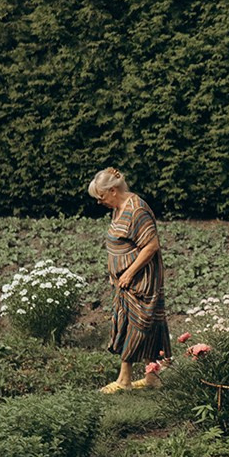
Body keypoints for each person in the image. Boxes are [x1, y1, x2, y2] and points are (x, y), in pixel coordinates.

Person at [90, 166, 166, 393]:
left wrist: (130, 272)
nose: (99, 202)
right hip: (124, 281)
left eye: (101, 196)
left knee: (137, 324)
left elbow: (151, 245)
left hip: (141, 279)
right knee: (139, 323)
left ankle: (124, 380)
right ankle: (153, 377)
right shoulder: (118, 208)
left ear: (113, 190)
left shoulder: (137, 210)